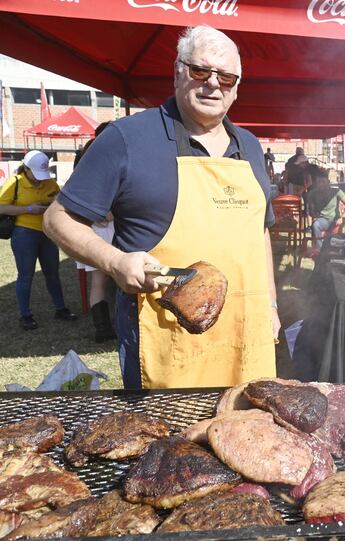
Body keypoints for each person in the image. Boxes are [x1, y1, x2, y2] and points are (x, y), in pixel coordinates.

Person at [43, 25, 279, 389]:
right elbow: (57, 218)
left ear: (236, 87)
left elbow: (259, 229)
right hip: (167, 342)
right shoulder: (127, 139)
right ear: (177, 71)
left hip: (246, 338)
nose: (213, 84)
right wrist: (115, 261)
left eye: (227, 77)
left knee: (244, 435)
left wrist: (273, 308)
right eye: (201, 71)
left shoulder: (248, 145)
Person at [0, 151, 78, 330]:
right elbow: (1, 207)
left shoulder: (50, 183)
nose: (39, 180)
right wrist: (28, 209)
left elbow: (61, 202)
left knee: (53, 273)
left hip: (48, 233)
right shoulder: (15, 182)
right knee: (25, 275)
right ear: (26, 169)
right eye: (35, 174)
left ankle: (61, 309)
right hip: (24, 233)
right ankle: (25, 315)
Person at [74, 121, 118, 343]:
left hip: (90, 228)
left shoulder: (83, 158)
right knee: (118, 279)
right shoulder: (106, 158)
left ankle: (103, 328)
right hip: (106, 227)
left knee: (99, 283)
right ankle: (113, 325)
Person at [305, 169, 345, 251]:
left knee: (316, 225)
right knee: (316, 225)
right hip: (322, 220)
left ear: (328, 182)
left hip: (334, 220)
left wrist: (343, 217)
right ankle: (321, 250)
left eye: (323, 182)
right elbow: (310, 210)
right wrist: (312, 212)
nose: (321, 184)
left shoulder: (336, 191)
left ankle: (327, 249)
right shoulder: (312, 193)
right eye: (319, 182)